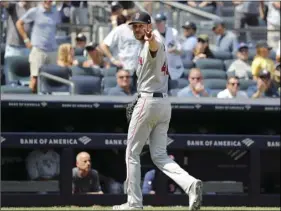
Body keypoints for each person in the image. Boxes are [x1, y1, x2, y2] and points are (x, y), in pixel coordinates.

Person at [112, 11, 202, 211]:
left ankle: (134, 203)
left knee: (131, 153)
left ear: (148, 26)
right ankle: (190, 184)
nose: (136, 29)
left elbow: (154, 46)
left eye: (139, 25)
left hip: (148, 101)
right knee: (160, 155)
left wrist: (150, 37)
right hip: (163, 104)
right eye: (134, 26)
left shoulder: (154, 41)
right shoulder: (147, 44)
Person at [16, 0, 61, 93]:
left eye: (50, 0)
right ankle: (31, 105)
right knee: (34, 80)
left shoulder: (56, 12)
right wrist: (26, 40)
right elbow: (19, 23)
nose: (48, 1)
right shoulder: (34, 11)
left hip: (52, 51)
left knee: (51, 80)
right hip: (38, 50)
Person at [153, 13, 184, 80]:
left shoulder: (173, 32)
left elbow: (180, 51)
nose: (158, 24)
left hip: (174, 66)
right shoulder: (153, 34)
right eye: (156, 22)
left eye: (160, 22)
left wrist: (174, 50)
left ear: (164, 22)